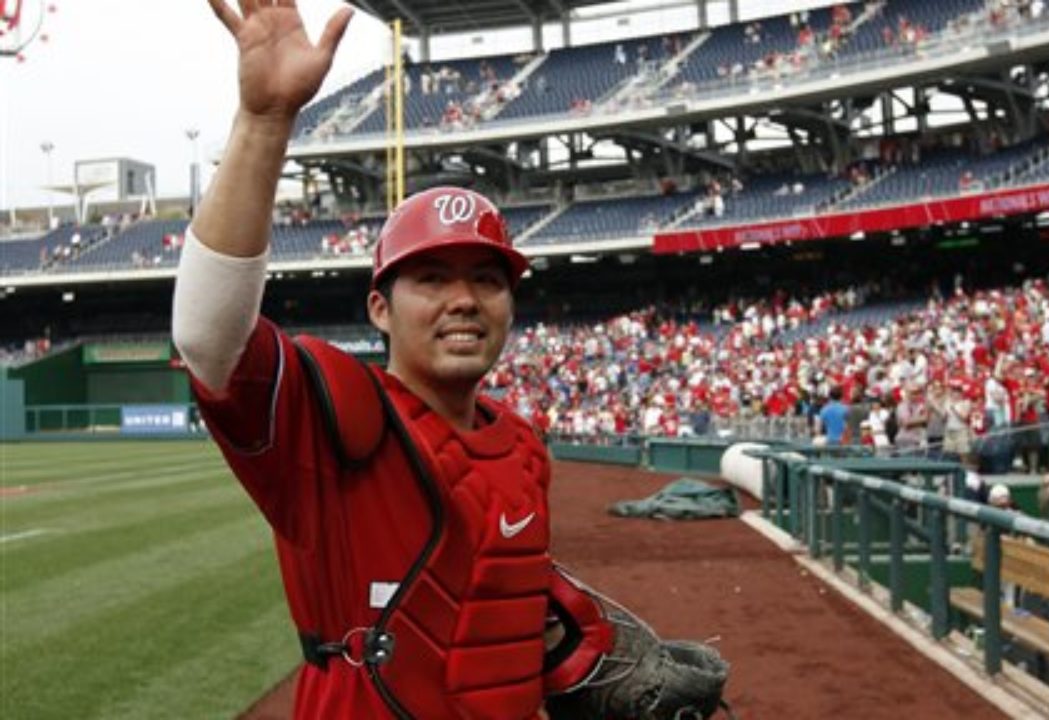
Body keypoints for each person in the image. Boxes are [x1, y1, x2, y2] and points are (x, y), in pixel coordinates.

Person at [174, 3, 727, 719]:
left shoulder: (522, 447)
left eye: (487, 280)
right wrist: (265, 121)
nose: (463, 300)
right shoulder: (334, 418)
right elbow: (208, 339)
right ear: (381, 308)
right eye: (431, 279)